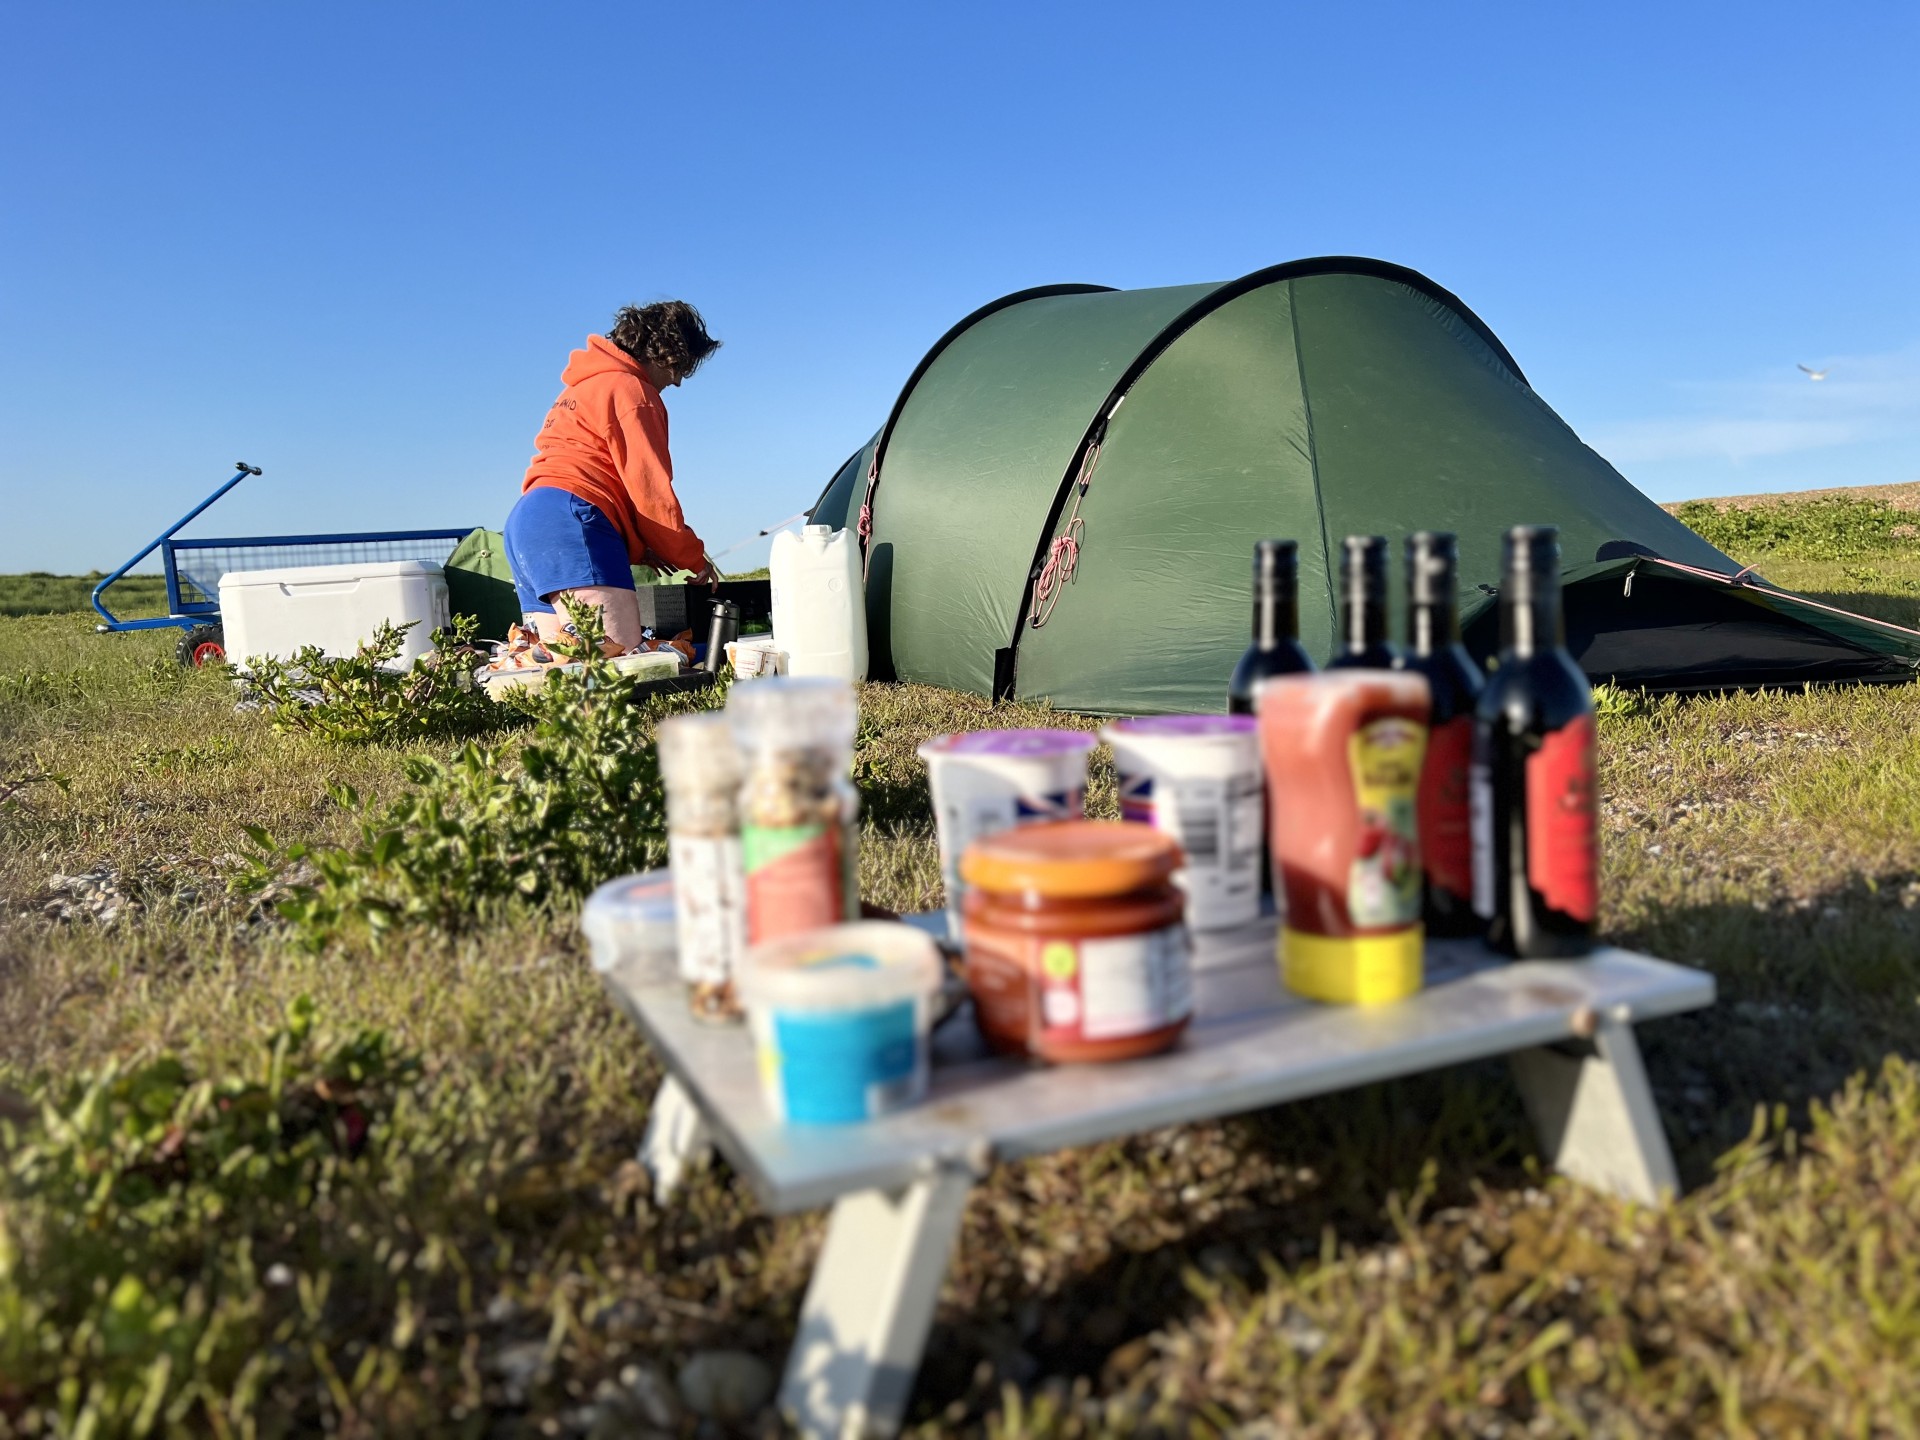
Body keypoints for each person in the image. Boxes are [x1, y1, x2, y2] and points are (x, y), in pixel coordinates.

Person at [501, 301, 722, 655]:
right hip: (573, 522)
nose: (678, 381)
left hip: (527, 527)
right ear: (665, 352)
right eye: (681, 367)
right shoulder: (633, 392)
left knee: (564, 677)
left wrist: (640, 546)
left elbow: (589, 473)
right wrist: (693, 557)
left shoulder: (580, 388)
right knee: (619, 668)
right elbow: (650, 495)